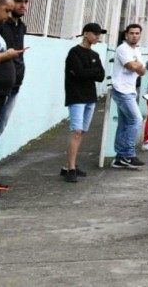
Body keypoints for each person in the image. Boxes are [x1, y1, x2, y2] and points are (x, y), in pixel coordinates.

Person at [0, 0, 31, 193]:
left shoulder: (19, 26)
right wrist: (7, 57)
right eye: (17, 2)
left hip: (10, 88)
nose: (22, 5)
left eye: (25, 2)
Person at [62, 23, 106, 183]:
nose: (97, 36)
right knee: (76, 131)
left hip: (90, 96)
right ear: (86, 33)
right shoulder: (75, 52)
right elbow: (78, 74)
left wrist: (89, 72)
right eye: (95, 33)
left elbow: (101, 75)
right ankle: (71, 168)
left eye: (99, 34)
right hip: (76, 96)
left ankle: (69, 165)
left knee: (82, 132)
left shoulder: (95, 54)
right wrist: (92, 71)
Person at [111, 23, 147, 169]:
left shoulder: (136, 51)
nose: (134, 36)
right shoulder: (122, 48)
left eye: (137, 33)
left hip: (130, 90)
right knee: (136, 120)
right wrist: (137, 65)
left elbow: (143, 72)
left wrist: (137, 65)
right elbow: (132, 67)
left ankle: (120, 157)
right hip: (121, 90)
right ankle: (129, 154)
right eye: (132, 33)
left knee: (124, 124)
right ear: (126, 35)